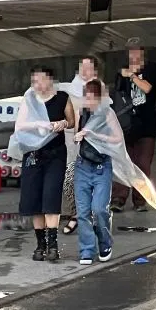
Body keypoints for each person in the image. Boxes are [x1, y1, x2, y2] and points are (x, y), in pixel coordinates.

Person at [10, 65, 75, 262]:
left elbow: (72, 121)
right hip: (33, 154)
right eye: (34, 81)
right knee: (34, 199)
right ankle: (41, 244)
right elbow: (20, 126)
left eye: (40, 80)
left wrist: (63, 124)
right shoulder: (29, 100)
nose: (37, 85)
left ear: (50, 80)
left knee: (51, 196)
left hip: (55, 154)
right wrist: (40, 124)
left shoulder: (62, 98)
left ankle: (53, 245)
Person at [73, 80, 121, 265]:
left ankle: (104, 242)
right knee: (83, 211)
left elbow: (117, 138)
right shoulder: (82, 112)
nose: (89, 102)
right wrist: (79, 134)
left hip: (102, 166)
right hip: (83, 165)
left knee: (99, 209)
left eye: (93, 98)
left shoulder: (107, 114)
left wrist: (94, 135)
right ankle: (86, 249)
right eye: (87, 97)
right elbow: (77, 135)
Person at [59, 56, 109, 236]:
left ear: (95, 70)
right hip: (73, 139)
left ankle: (90, 214)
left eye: (89, 67)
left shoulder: (99, 88)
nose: (84, 71)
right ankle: (77, 212)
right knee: (70, 177)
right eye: (82, 66)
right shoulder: (72, 87)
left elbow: (103, 115)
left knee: (92, 179)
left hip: (94, 140)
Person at [111, 39, 156, 213]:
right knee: (124, 162)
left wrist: (132, 76)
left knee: (143, 164)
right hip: (126, 125)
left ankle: (140, 199)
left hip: (146, 124)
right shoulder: (122, 71)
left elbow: (147, 88)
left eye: (137, 51)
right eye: (131, 52)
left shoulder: (151, 68)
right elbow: (117, 96)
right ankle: (118, 197)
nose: (134, 55)